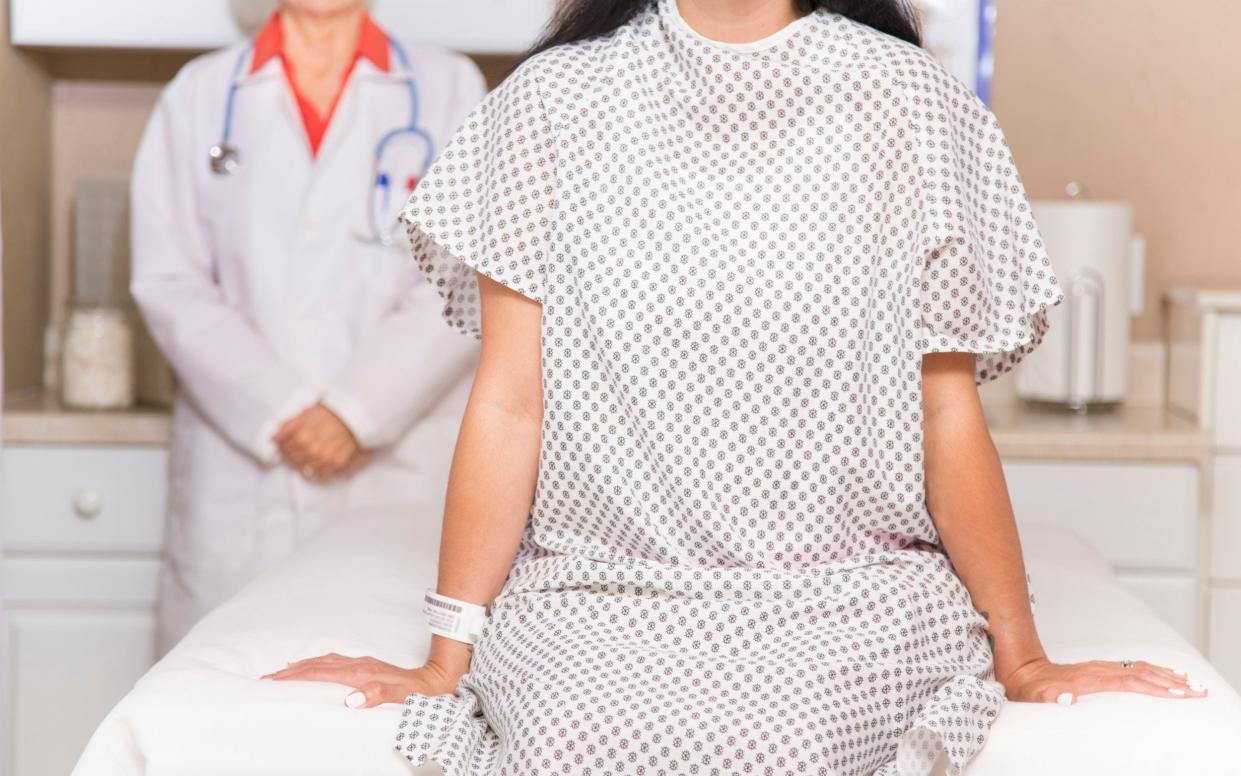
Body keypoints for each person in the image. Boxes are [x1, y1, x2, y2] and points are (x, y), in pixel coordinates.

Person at [268, 1, 1208, 773]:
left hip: (848, 588)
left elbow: (943, 408)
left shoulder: (908, 101)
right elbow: (511, 401)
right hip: (600, 586)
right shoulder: (552, 101)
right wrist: (447, 655)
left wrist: (1022, 654)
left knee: (781, 741)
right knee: (568, 739)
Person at [131, 0, 486, 654]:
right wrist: (284, 405)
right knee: (220, 708)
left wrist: (355, 411)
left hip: (396, 461)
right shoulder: (200, 95)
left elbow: (465, 275)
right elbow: (168, 280)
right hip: (245, 464)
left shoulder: (450, 90)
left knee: (377, 711)